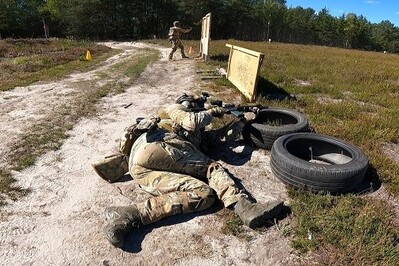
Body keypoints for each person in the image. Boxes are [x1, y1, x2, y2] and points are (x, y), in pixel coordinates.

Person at [92, 93, 284, 248]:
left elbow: (217, 139)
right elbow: (192, 121)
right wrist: (211, 111)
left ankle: (129, 215)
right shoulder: (174, 109)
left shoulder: (195, 134)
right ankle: (244, 207)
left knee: (204, 194)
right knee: (212, 168)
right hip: (159, 143)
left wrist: (241, 122)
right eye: (197, 103)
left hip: (140, 167)